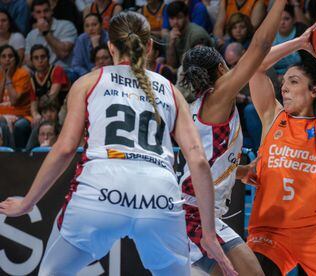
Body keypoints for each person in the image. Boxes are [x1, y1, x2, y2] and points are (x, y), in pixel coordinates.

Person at [0, 11, 236, 276]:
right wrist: (209, 234)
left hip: (101, 190)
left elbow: (65, 148)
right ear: (149, 46)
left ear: (110, 46)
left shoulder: (89, 82)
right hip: (158, 195)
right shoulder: (170, 90)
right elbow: (198, 161)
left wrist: (28, 202)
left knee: (51, 273)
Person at [177, 0, 287, 274]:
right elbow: (259, 47)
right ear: (220, 69)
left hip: (194, 211)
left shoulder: (201, 105)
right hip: (195, 214)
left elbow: (210, 160)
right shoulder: (220, 94)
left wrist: (242, 171)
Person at [244, 24, 316, 275]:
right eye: (283, 82)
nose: (284, 87)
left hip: (311, 231)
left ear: (314, 91)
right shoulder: (272, 117)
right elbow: (255, 67)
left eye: (293, 81)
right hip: (269, 231)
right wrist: (299, 42)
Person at [25, 0, 77, 69]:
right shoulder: (31, 35)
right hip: (40, 71)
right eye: (38, 12)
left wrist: (46, 32)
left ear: (51, 11)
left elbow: (63, 53)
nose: (43, 15)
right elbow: (28, 60)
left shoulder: (66, 26)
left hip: (64, 70)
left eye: (46, 11)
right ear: (33, 15)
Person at [0, 44, 34, 149]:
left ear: (16, 59)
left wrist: (8, 78)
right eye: (3, 56)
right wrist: (3, 78)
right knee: (3, 124)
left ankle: (17, 157)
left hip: (21, 116)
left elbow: (14, 100)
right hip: (2, 116)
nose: (7, 60)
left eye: (10, 56)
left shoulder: (23, 74)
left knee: (19, 126)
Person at [165, 1, 212, 69]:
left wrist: (176, 72)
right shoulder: (173, 34)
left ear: (186, 17)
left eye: (179, 17)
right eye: (172, 18)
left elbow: (199, 66)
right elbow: (171, 66)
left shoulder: (197, 34)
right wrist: (171, 45)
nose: (175, 22)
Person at [29, 44, 69, 124]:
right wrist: (36, 115)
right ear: (32, 61)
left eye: (43, 57)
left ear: (48, 58)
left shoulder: (57, 70)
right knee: (35, 122)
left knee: (56, 118)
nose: (40, 60)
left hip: (64, 108)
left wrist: (41, 113)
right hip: (46, 112)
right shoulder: (32, 79)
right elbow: (33, 106)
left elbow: (51, 97)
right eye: (36, 58)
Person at [71, 13, 109, 77]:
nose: (90, 29)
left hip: (107, 73)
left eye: (94, 25)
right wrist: (88, 74)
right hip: (87, 75)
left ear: (101, 25)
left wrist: (96, 46)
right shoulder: (81, 40)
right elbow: (76, 65)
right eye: (87, 26)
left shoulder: (109, 38)